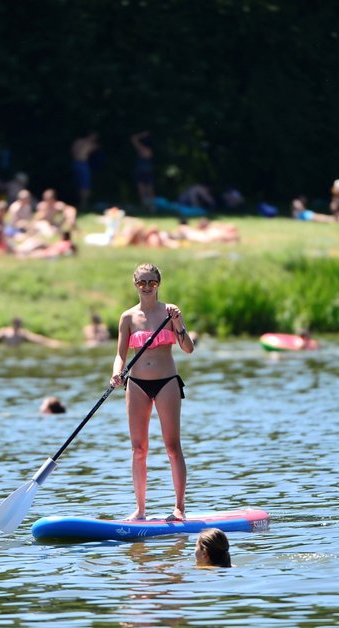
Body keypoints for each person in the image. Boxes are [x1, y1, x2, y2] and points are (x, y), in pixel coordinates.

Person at [110, 263, 194, 522]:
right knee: (138, 449)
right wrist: (116, 373)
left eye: (152, 283)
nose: (147, 287)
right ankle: (140, 510)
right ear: (135, 284)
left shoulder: (170, 313)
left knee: (172, 446)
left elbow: (188, 348)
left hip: (167, 381)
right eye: (142, 283)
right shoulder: (127, 318)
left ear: (159, 284)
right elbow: (120, 355)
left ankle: (179, 507)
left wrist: (178, 322)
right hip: (136, 385)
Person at [0, 317, 64, 348]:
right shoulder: (5, 332)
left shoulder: (22, 334)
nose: (18, 326)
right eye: (17, 324)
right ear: (13, 324)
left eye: (19, 324)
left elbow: (38, 339)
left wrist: (53, 343)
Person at [71, 132, 99, 210]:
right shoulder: (88, 143)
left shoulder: (78, 141)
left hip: (75, 162)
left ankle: (81, 203)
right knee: (84, 184)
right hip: (82, 164)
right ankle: (83, 203)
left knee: (80, 183)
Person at [131, 131, 155, 211]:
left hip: (145, 172)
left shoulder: (144, 149)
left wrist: (141, 135)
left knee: (147, 191)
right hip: (143, 172)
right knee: (144, 191)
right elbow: (133, 139)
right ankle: (147, 207)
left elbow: (133, 139)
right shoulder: (146, 150)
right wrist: (143, 135)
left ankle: (150, 207)